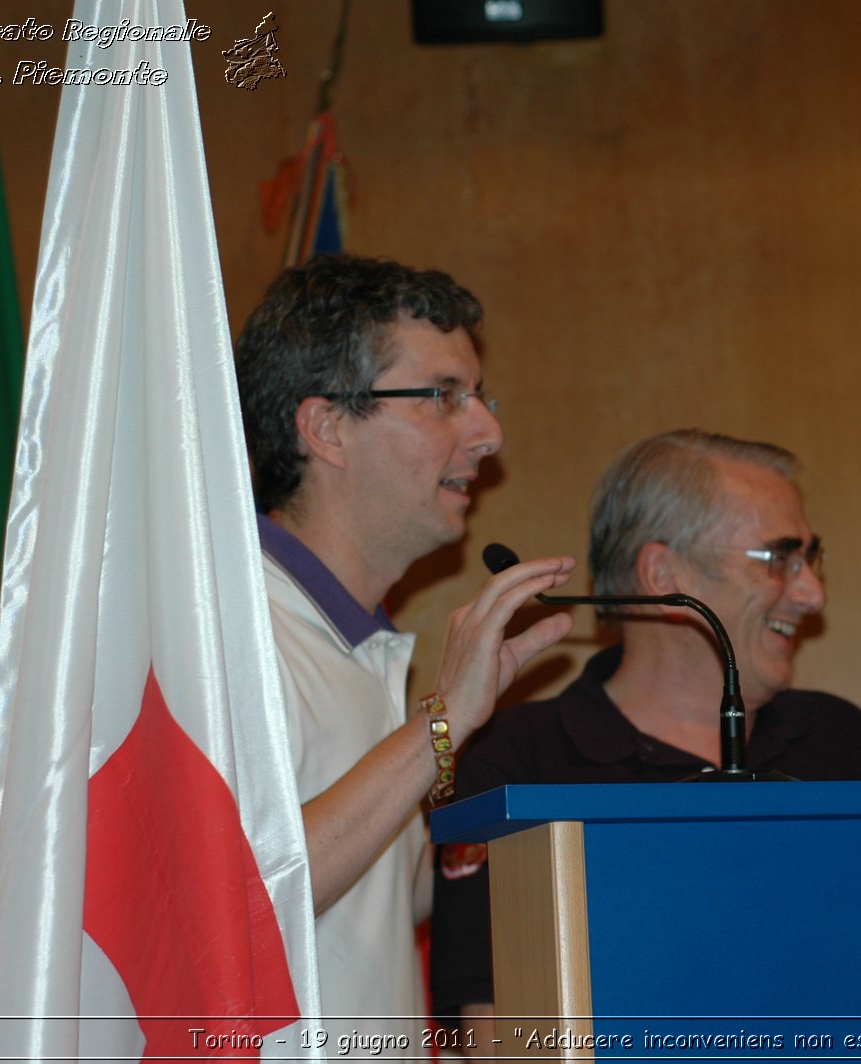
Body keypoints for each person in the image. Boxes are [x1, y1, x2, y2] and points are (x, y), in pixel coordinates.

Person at [428, 429, 861, 1044]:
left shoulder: (842, 741)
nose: (813, 593)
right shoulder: (522, 762)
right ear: (662, 574)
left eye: (811, 558)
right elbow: (497, 1034)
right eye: (780, 558)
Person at [233, 254, 576, 1051]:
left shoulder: (366, 646)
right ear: (326, 428)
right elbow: (242, 898)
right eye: (443, 398)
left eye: (479, 397)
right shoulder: (229, 633)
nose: (489, 433)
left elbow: (383, 899)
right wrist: (442, 722)